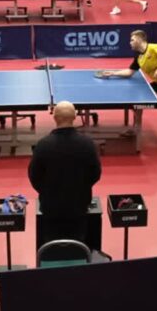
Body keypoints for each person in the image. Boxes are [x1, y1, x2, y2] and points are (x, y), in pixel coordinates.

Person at [28, 101, 102, 245]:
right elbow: (95, 173)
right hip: (79, 206)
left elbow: (34, 176)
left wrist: (48, 192)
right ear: (74, 117)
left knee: (52, 246)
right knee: (78, 244)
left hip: (51, 207)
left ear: (54, 118)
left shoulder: (43, 145)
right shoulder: (87, 144)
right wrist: (81, 189)